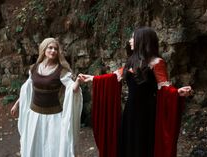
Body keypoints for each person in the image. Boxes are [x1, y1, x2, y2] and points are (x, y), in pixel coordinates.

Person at [81, 26, 192, 157]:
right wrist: (94, 78)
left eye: (133, 37)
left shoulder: (157, 62)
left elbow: (164, 87)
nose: (130, 40)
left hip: (148, 111)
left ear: (142, 40)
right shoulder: (132, 61)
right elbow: (114, 76)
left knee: (143, 144)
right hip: (130, 110)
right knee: (128, 142)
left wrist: (177, 92)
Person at [11, 37, 84, 157]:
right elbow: (27, 90)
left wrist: (78, 82)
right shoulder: (34, 68)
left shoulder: (62, 71)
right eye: (50, 47)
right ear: (44, 49)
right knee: (35, 146)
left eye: (56, 48)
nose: (53, 51)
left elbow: (72, 88)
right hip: (35, 116)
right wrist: (17, 104)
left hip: (54, 117)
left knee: (53, 149)